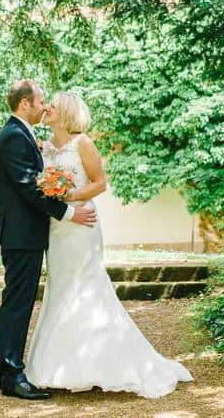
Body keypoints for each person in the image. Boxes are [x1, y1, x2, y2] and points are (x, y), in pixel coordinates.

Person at [24, 92, 193, 398]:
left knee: (86, 287)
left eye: (52, 106)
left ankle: (103, 363)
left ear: (66, 113)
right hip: (56, 228)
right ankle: (59, 367)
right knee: (60, 287)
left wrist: (68, 197)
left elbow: (100, 183)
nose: (46, 108)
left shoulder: (83, 143)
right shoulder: (43, 147)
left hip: (82, 224)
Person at [0, 80, 98, 400]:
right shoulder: (14, 138)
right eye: (39, 102)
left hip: (24, 235)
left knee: (17, 302)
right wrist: (68, 213)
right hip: (22, 236)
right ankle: (11, 374)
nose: (44, 107)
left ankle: (3, 372)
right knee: (18, 305)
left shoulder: (20, 136)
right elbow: (29, 189)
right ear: (25, 104)